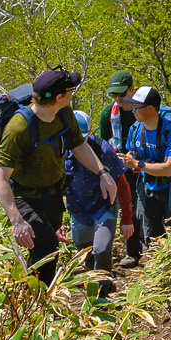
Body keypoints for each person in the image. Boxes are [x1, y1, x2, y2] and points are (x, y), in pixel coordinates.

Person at [0, 68, 118, 286]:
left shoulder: (64, 114)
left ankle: (33, 301)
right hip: (24, 196)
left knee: (45, 253)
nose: (72, 94)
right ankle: (36, 304)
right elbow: (0, 178)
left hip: (53, 194)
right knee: (47, 246)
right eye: (70, 91)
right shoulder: (19, 128)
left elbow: (79, 146)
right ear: (59, 97)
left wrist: (102, 172)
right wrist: (16, 220)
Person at [66, 110, 132, 284]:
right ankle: (93, 279)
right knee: (84, 250)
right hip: (78, 208)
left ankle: (104, 286)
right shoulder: (60, 151)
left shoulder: (102, 149)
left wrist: (127, 218)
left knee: (101, 249)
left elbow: (122, 184)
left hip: (104, 205)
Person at [120, 85, 171, 253]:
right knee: (151, 237)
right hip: (147, 189)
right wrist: (126, 159)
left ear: (150, 108)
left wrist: (137, 164)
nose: (133, 110)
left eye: (136, 107)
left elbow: (168, 169)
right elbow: (132, 152)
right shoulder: (135, 130)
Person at [98, 70, 135, 145]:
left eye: (122, 93)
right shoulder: (107, 113)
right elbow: (103, 144)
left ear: (131, 88)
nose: (118, 98)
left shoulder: (144, 109)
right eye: (114, 94)